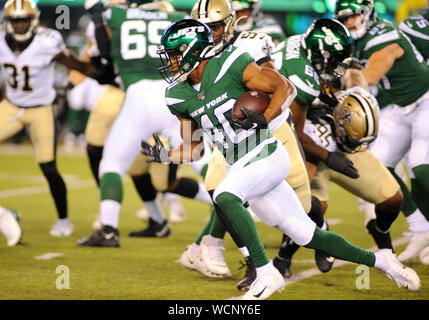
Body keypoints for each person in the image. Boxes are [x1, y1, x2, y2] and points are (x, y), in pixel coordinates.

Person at [145, 18, 420, 299]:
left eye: (176, 54)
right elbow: (196, 149)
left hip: (266, 154)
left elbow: (285, 88)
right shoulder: (177, 95)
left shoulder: (231, 63)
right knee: (309, 235)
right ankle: (383, 261)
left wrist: (263, 118)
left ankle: (265, 272)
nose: (172, 62)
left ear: (194, 50)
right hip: (238, 164)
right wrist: (166, 154)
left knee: (225, 195)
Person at [180, 0, 326, 290]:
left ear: (231, 23)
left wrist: (264, 115)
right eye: (203, 27)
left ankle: (321, 231)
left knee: (304, 203)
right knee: (218, 190)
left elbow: (275, 82)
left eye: (216, 26)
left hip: (270, 128)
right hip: (233, 135)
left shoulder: (253, 41)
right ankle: (251, 261)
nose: (210, 33)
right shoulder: (193, 52)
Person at [271, 19, 405, 278]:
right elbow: (296, 135)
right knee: (309, 206)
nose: (338, 67)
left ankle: (381, 232)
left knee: (392, 198)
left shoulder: (305, 51)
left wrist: (342, 99)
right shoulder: (301, 76)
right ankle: (283, 257)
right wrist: (329, 157)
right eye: (333, 61)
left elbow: (334, 79)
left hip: (337, 133)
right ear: (318, 54)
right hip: (307, 139)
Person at [78, 0, 213, 247]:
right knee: (199, 157)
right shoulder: (177, 17)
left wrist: (97, 17)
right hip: (174, 93)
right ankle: (232, 199)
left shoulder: (116, 14)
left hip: (137, 97)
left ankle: (108, 230)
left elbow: (104, 54)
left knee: (111, 164)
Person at [0, 0, 112, 237]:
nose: (20, 25)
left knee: (48, 167)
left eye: (24, 20)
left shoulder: (47, 40)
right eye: (15, 20)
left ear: (33, 20)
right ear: (8, 22)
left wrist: (99, 72)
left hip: (41, 109)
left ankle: (64, 220)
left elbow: (73, 63)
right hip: (10, 107)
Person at [335, 0, 429, 263]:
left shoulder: (383, 33)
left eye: (354, 16)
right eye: (345, 18)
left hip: (425, 101)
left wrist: (344, 85)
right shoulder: (352, 42)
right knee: (377, 165)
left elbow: (372, 75)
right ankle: (421, 227)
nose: (350, 23)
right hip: (400, 108)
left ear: (367, 13)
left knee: (420, 169)